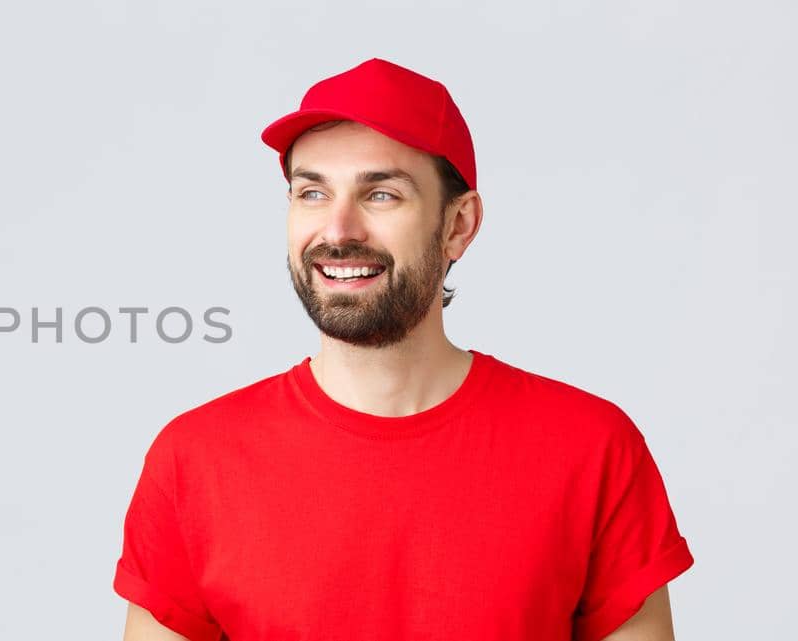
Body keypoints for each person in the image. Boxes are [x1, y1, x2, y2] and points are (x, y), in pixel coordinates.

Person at [113, 58, 693, 641]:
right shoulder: (192, 462)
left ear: (458, 226)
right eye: (312, 192)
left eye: (382, 194)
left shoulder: (592, 449)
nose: (338, 230)